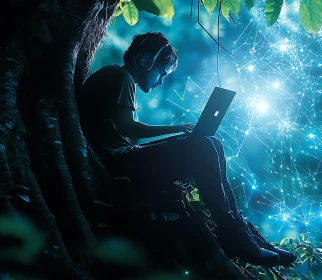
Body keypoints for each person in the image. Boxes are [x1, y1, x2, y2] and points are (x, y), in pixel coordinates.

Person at [76, 32, 296, 267]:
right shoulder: (120, 76)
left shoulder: (116, 76)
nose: (160, 81)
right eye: (161, 73)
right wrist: (178, 128)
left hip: (120, 159)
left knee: (212, 143)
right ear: (145, 62)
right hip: (116, 163)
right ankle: (235, 234)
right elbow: (128, 127)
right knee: (203, 146)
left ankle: (242, 234)